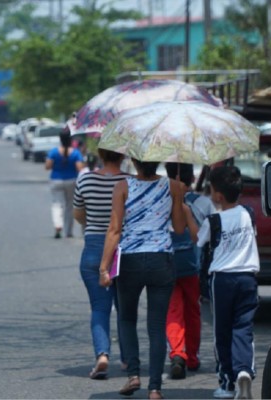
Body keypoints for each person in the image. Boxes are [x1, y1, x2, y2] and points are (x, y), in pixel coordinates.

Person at [98, 159, 186, 400]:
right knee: (157, 326)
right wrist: (178, 197)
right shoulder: (173, 186)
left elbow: (114, 229)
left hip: (131, 260)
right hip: (162, 260)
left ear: (134, 162)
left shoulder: (122, 187)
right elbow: (179, 229)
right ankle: (155, 388)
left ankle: (134, 375)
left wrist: (104, 267)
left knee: (127, 318)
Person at [196, 166, 259, 400]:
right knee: (243, 328)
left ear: (218, 196)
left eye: (211, 189)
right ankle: (244, 370)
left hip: (221, 279)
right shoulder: (249, 214)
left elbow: (199, 241)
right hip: (247, 278)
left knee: (222, 332)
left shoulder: (214, 221)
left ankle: (227, 384)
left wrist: (185, 211)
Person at [73, 149, 128, 380]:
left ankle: (102, 355)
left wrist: (94, 223)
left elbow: (78, 214)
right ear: (122, 155)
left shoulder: (85, 179)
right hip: (122, 249)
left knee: (99, 307)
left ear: (100, 154)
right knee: (125, 308)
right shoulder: (128, 182)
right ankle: (128, 358)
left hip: (94, 247)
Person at [164, 163, 215, 379]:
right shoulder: (204, 202)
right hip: (193, 267)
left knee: (172, 310)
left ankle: (178, 353)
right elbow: (212, 233)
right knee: (193, 311)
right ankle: (192, 356)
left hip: (166, 264)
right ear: (192, 179)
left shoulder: (162, 200)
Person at [45, 129, 84, 239]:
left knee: (57, 204)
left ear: (60, 139)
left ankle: (58, 225)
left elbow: (47, 166)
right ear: (71, 139)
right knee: (69, 206)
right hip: (72, 181)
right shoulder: (76, 153)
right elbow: (80, 168)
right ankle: (68, 231)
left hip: (55, 180)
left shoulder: (53, 152)